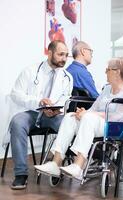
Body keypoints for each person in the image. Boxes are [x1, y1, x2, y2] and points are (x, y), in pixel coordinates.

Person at [34, 57, 123, 180]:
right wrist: (83, 113)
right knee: (69, 117)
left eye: (108, 69)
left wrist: (89, 115)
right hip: (97, 123)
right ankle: (56, 163)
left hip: (117, 127)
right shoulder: (107, 89)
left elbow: (117, 117)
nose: (105, 72)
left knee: (88, 118)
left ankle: (78, 166)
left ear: (117, 72)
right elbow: (94, 108)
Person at [7, 40, 73, 190]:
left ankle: (56, 163)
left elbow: (65, 99)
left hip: (53, 115)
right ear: (49, 53)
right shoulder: (30, 71)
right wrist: (38, 102)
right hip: (31, 112)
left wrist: (57, 109)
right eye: (60, 54)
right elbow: (16, 94)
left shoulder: (67, 76)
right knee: (17, 122)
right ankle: (21, 174)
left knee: (68, 123)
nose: (64, 58)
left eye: (66, 55)